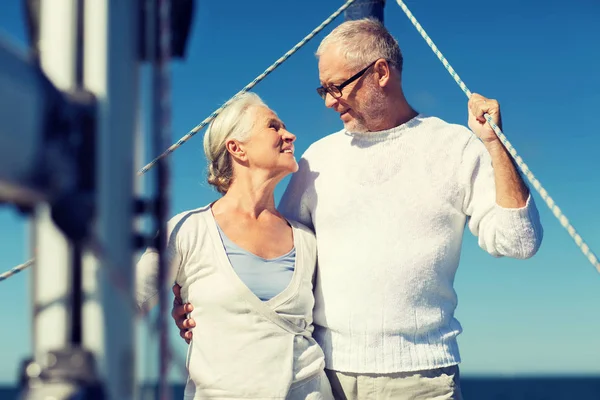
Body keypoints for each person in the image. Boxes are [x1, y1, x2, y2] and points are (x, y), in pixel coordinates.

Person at [172, 19, 543, 399]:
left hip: (422, 381)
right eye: (323, 90)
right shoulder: (317, 160)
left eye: (336, 86)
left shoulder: (457, 147)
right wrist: (195, 298)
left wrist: (494, 145)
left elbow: (518, 241)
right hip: (325, 380)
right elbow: (280, 262)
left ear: (380, 72)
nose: (330, 101)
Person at [135, 92, 334, 399]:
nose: (289, 134)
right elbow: (126, 304)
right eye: (273, 126)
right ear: (237, 148)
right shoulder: (187, 230)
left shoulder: (307, 239)